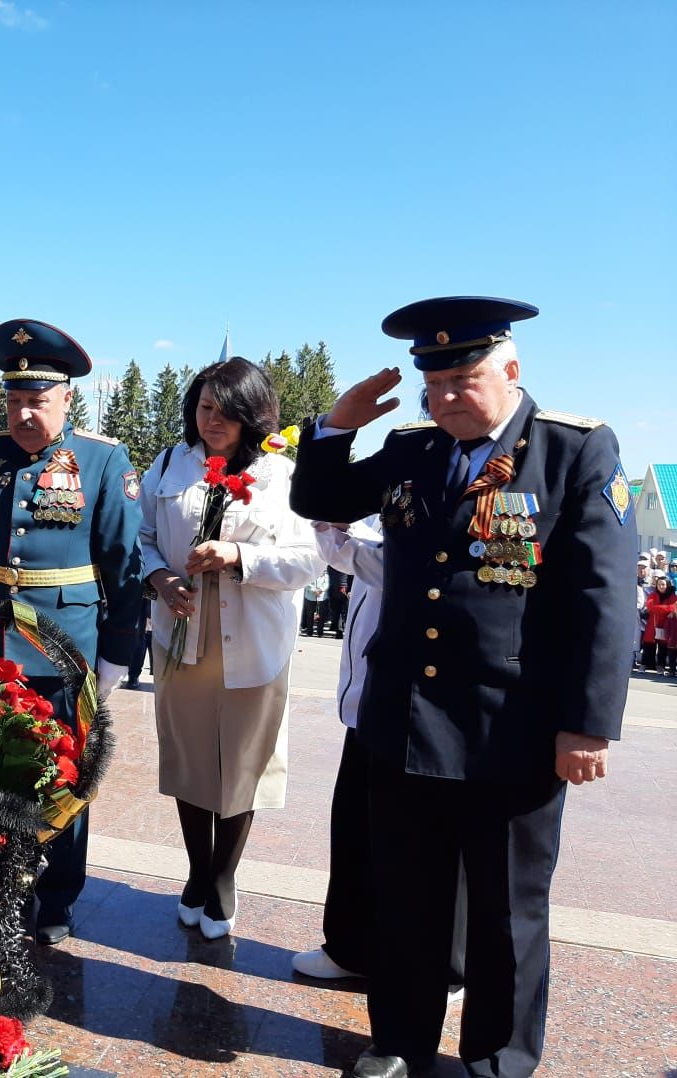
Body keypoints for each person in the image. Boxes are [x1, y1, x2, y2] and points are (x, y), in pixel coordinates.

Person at [289, 296, 635, 1078]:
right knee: (406, 897)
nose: (446, 398)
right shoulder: (414, 449)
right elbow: (321, 500)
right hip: (403, 720)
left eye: (465, 379)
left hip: (511, 729)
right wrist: (338, 426)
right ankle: (401, 1042)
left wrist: (588, 724)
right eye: (432, 384)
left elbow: (603, 597)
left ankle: (499, 1061)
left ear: (510, 370)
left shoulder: (573, 450)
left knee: (508, 913)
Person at [0, 318, 144, 946]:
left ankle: (58, 897)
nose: (24, 413)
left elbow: (123, 561)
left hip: (64, 643)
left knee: (63, 770)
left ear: (68, 398)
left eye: (37, 400)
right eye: (13, 400)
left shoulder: (102, 460)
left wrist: (120, 651)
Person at [139, 357, 321, 941]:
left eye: (224, 409)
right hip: (181, 634)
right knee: (190, 760)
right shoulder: (169, 465)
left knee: (242, 764)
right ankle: (196, 870)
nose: (211, 419)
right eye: (203, 407)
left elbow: (310, 560)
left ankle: (223, 876)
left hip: (255, 641)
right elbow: (142, 538)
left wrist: (240, 558)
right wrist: (160, 578)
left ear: (251, 412)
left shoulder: (282, 476)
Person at [291, 516, 468, 992]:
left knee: (436, 840)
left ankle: (446, 971)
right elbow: (353, 550)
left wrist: (346, 530)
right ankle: (351, 947)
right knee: (356, 827)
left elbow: (401, 561)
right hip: (370, 698)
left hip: (431, 698)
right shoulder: (396, 479)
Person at [640, 574, 676, 672]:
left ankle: (661, 666)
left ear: (667, 585)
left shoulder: (673, 596)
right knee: (648, 646)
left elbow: (673, 607)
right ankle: (644, 665)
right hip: (653, 624)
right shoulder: (653, 594)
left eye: (663, 584)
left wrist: (658, 608)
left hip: (666, 625)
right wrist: (666, 608)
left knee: (662, 648)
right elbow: (650, 606)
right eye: (659, 584)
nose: (661, 586)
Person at [301, 569, 330, 636]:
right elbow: (307, 584)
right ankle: (309, 632)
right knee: (309, 615)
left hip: (322, 598)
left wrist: (321, 590)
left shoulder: (326, 575)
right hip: (310, 597)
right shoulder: (310, 573)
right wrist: (314, 590)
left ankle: (320, 632)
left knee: (321, 616)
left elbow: (326, 584)